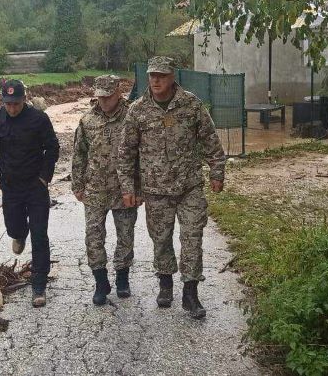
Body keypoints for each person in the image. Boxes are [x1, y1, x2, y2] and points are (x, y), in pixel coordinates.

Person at [117, 56, 226, 319]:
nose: (155, 80)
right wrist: (127, 187)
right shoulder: (138, 110)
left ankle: (191, 293)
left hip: (189, 187)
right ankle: (165, 284)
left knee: (192, 237)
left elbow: (210, 139)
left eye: (161, 76)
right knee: (161, 240)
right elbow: (125, 152)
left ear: (172, 77)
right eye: (152, 75)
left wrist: (217, 172)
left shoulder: (191, 104)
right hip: (155, 191)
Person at [0, 79, 59, 308]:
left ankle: (39, 286)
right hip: (10, 186)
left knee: (40, 236)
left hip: (36, 186)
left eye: (16, 104)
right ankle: (19, 233)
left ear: (24, 100)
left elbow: (53, 147)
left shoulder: (38, 119)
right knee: (14, 228)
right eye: (8, 104)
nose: (12, 108)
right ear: (2, 102)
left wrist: (45, 177)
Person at [72, 75, 139, 306]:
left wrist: (139, 188)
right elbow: (79, 153)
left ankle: (122, 278)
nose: (104, 101)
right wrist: (77, 184)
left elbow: (143, 155)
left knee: (126, 235)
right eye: (100, 97)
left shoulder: (133, 117)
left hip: (125, 190)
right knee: (93, 236)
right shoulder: (87, 120)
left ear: (118, 93)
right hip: (95, 189)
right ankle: (101, 281)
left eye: (108, 97)